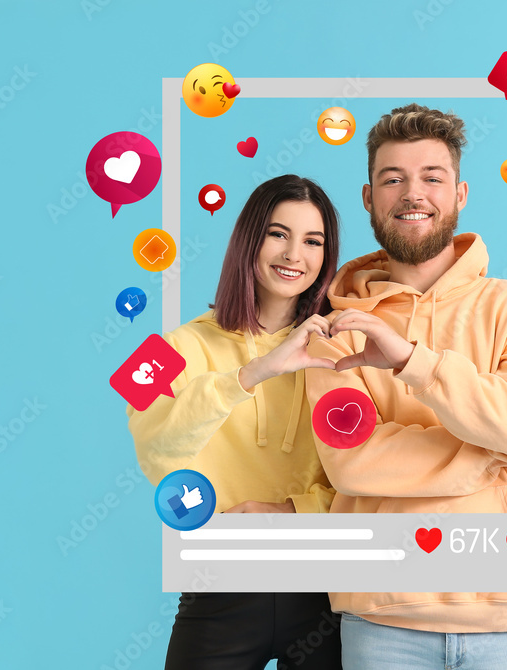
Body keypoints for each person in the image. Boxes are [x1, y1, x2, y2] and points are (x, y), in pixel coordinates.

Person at [305, 104, 507, 669]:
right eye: (392, 178)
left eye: (432, 177)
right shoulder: (332, 325)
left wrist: (411, 363)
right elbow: (352, 462)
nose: (412, 193)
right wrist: (495, 452)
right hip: (382, 620)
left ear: (461, 193)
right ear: (369, 198)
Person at [126, 174, 344, 670]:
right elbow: (153, 451)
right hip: (218, 587)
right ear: (249, 238)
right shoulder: (174, 346)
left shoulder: (342, 349)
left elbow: (375, 467)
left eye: (314, 241)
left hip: (324, 592)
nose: (295, 254)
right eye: (278, 233)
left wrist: (295, 511)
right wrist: (252, 373)